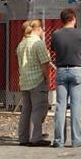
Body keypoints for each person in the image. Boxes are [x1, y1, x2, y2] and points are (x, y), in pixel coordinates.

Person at [50, 8, 81, 148]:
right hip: (77, 71)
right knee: (75, 106)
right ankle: (76, 140)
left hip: (61, 70)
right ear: (73, 18)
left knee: (60, 106)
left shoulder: (56, 34)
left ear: (62, 20)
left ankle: (58, 140)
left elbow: (54, 49)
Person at [16, 19, 52, 147]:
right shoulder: (38, 43)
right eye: (42, 29)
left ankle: (23, 137)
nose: (43, 31)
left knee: (26, 110)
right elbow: (45, 64)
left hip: (24, 81)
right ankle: (35, 138)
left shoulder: (21, 44)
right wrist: (47, 79)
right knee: (39, 109)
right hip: (37, 80)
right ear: (37, 29)